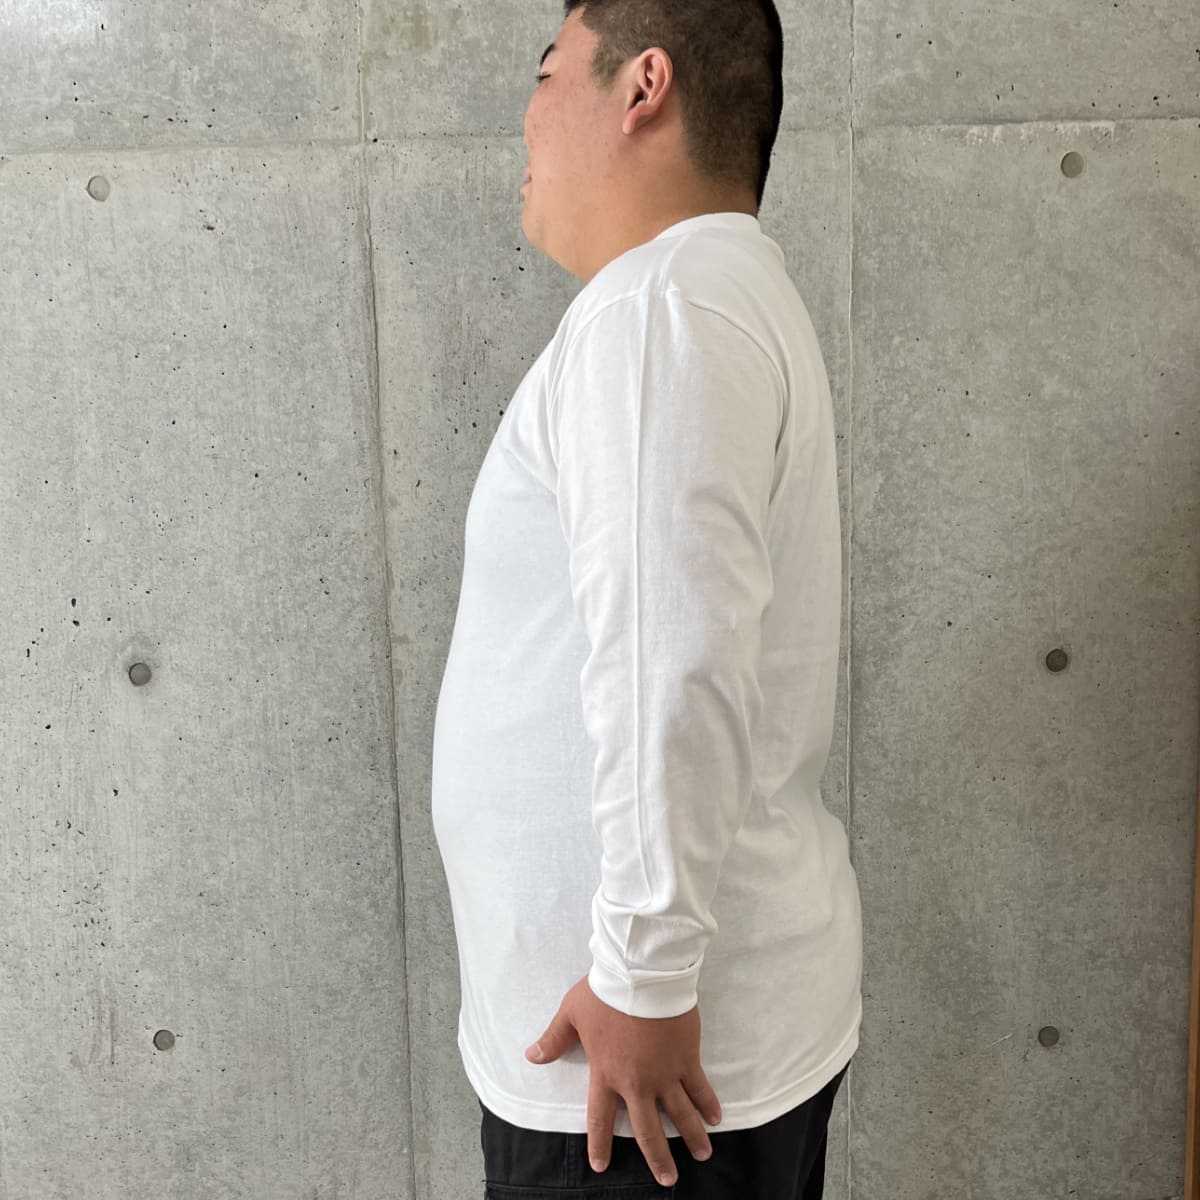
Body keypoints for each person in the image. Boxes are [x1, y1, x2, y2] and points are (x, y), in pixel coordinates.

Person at [429, 1, 863, 1195]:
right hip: (651, 1054)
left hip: (638, 1080)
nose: (526, 117)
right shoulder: (700, 298)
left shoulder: (658, 311)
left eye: (547, 72)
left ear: (643, 87)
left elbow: (673, 658)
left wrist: (644, 979)